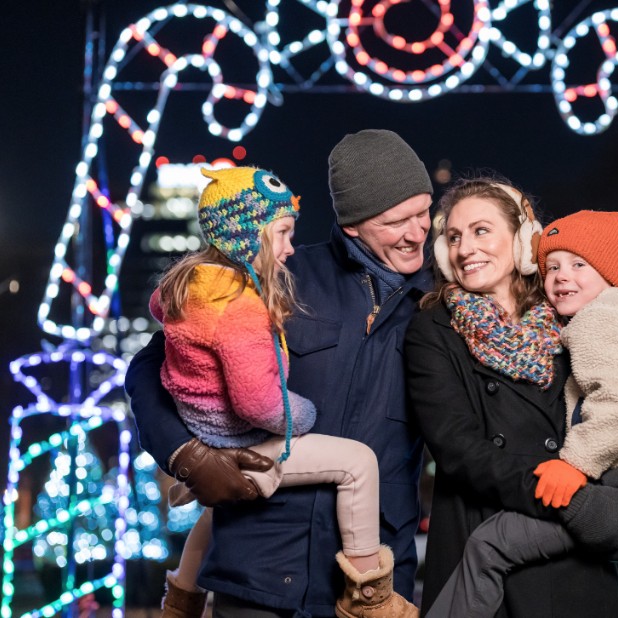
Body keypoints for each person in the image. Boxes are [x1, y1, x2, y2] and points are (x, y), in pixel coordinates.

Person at [125, 129, 434, 617]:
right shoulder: (275, 277)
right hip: (257, 570)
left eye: (423, 213)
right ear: (353, 224)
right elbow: (149, 368)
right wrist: (183, 453)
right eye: (397, 221)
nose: (417, 233)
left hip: (365, 589)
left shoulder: (442, 307)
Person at [405, 177, 618, 617]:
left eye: (481, 231)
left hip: (572, 557)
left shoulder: (573, 313)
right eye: (454, 237)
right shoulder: (433, 329)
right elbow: (459, 449)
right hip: (489, 533)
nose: (463, 249)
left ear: (521, 242)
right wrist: (567, 496)